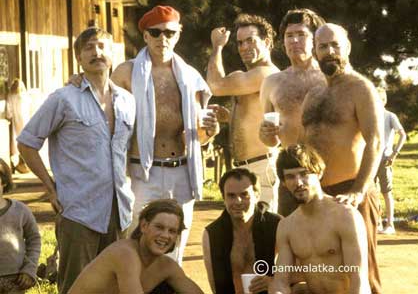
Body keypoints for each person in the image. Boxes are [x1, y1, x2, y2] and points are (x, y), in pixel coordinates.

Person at [17, 27, 136, 294]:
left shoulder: (127, 101)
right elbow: (26, 142)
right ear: (79, 58)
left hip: (120, 212)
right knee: (76, 287)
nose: (97, 52)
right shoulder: (64, 99)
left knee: (116, 285)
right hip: (79, 210)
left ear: (113, 54)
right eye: (89, 47)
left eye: (103, 46)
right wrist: (49, 187)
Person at [109, 5, 219, 264]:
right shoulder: (126, 73)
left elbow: (196, 138)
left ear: (178, 34)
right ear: (145, 36)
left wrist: (208, 132)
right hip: (140, 173)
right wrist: (78, 81)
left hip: (181, 171)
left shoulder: (190, 77)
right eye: (155, 33)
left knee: (175, 247)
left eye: (169, 33)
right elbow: (102, 106)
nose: (163, 39)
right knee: (135, 242)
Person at [301, 23, 384, 293]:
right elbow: (304, 143)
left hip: (352, 192)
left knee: (362, 274)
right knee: (323, 274)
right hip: (316, 196)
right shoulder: (313, 94)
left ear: (348, 48)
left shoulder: (361, 88)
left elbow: (376, 141)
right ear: (314, 51)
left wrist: (359, 190)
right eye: (323, 46)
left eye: (336, 45)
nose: (330, 51)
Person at [270, 145, 369, 294]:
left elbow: (359, 281)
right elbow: (281, 281)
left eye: (304, 174)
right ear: (283, 183)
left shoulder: (345, 216)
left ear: (319, 173)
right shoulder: (286, 226)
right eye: (290, 177)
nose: (298, 182)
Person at [207, 14, 280, 212]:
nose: (244, 47)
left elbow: (215, 85)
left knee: (264, 235)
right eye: (240, 43)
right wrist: (228, 117)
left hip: (261, 168)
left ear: (266, 41)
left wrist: (217, 47)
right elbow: (253, 119)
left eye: (250, 40)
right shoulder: (245, 77)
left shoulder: (266, 73)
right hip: (241, 169)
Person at [259, 9, 327, 217]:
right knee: (290, 241)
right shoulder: (272, 82)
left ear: (315, 40)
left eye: (301, 34)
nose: (294, 40)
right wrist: (266, 134)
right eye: (289, 36)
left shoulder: (329, 79)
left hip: (328, 174)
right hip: (290, 176)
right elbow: (269, 140)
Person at [69, 199, 204, 294]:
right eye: (159, 227)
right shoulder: (125, 253)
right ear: (144, 226)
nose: (165, 235)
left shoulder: (167, 266)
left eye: (172, 231)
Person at [202, 168, 282, 294]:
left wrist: (274, 280)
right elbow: (215, 286)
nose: (238, 201)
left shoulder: (276, 225)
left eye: (244, 195)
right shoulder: (211, 234)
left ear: (257, 196)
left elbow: (299, 271)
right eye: (231, 195)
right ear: (224, 198)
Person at [0, 158, 41, 294]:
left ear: (4, 182)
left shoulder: (20, 211)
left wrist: (29, 269)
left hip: (16, 281)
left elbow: (34, 240)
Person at [375, 87, 406, 235]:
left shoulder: (390, 116)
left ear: (384, 100)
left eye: (378, 98)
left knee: (386, 192)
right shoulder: (368, 116)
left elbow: (402, 135)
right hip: (370, 160)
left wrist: (394, 154)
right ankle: (378, 222)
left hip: (385, 159)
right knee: (373, 192)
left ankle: (390, 224)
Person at [5, 78, 31, 173]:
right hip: (26, 120)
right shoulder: (26, 96)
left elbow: (9, 111)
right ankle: (23, 162)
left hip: (16, 121)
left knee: (17, 140)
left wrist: (9, 116)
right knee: (25, 141)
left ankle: (19, 162)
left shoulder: (11, 96)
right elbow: (30, 108)